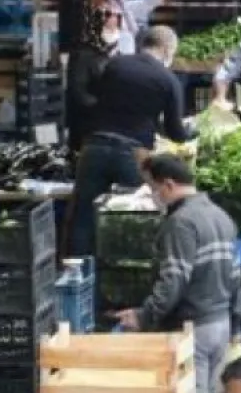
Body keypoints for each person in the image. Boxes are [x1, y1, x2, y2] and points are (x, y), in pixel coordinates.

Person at [111, 154, 241, 393]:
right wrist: (236, 325)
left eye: (153, 188)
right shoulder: (222, 217)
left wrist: (144, 316)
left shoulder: (180, 223)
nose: (153, 196)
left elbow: (174, 280)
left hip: (194, 329)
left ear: (168, 185)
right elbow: (235, 278)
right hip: (220, 325)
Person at [69, 25, 191, 256]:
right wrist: (189, 132)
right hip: (133, 152)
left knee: (84, 214)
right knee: (131, 215)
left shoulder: (115, 65)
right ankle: (122, 268)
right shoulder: (168, 80)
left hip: (95, 145)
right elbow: (176, 132)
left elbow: (93, 98)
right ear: (168, 50)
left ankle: (79, 268)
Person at [67, 9, 123, 154]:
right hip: (89, 126)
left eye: (117, 16)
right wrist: (104, 109)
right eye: (108, 15)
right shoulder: (83, 54)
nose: (113, 20)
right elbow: (78, 91)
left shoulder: (119, 53)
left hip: (114, 126)